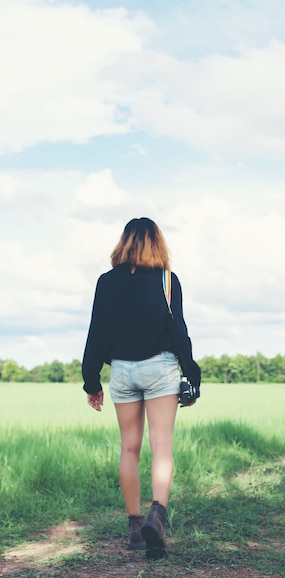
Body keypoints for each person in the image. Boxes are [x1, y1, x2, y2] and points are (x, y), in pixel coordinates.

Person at [82, 217, 201, 560]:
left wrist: (92, 380)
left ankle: (135, 530)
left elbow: (96, 332)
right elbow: (179, 331)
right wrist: (192, 375)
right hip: (160, 368)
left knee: (129, 448)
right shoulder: (166, 280)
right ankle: (157, 519)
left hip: (121, 370)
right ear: (157, 243)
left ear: (125, 242)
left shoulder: (106, 282)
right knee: (161, 447)